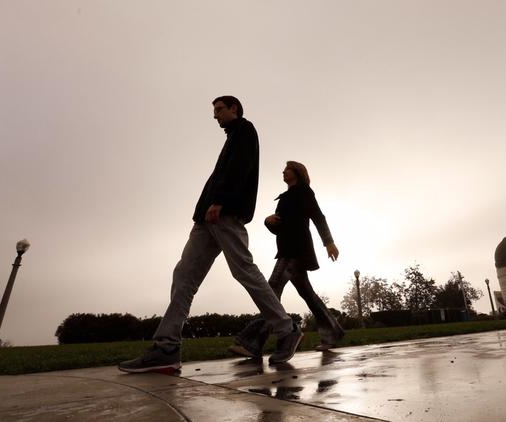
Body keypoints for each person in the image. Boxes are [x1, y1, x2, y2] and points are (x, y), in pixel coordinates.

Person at [119, 96, 303, 372]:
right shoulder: (232, 137)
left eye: (219, 110)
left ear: (234, 109)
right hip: (206, 218)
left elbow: (240, 168)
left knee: (243, 269)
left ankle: (286, 328)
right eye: (214, 111)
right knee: (184, 275)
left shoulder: (244, 130)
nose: (215, 115)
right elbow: (225, 172)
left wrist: (220, 200)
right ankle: (167, 348)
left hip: (223, 213)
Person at [229, 161, 344, 359]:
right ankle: (333, 332)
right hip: (286, 249)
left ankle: (253, 342)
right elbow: (279, 227)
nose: (283, 172)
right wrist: (268, 221)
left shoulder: (304, 192)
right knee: (308, 295)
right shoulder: (285, 197)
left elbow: (318, 217)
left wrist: (329, 242)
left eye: (287, 169)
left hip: (296, 250)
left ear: (296, 173)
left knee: (271, 289)